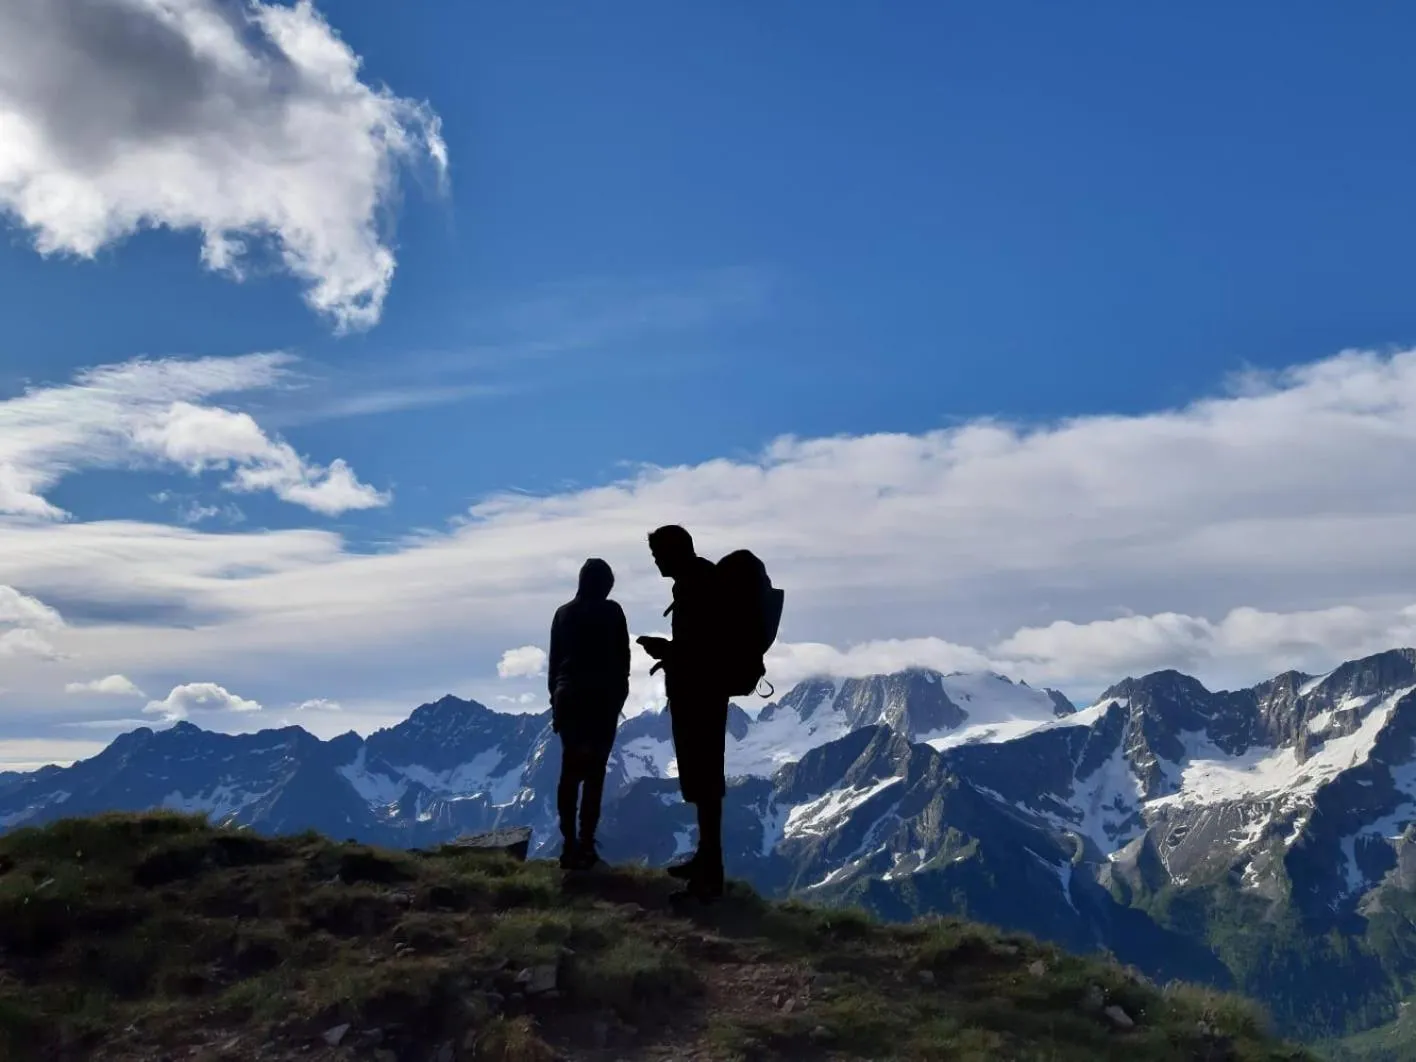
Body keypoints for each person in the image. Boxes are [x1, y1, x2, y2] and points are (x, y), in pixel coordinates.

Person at [636, 524, 729, 901]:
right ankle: (707, 860)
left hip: (700, 694)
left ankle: (709, 875)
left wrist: (666, 651)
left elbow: (700, 649)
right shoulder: (702, 579)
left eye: (659, 554)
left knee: (703, 780)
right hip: (706, 691)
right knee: (704, 780)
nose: (656, 561)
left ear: (676, 552)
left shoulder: (694, 585)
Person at [548, 557, 630, 870]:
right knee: (594, 774)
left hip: (568, 698)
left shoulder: (563, 613)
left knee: (569, 774)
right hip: (602, 700)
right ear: (605, 584)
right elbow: (623, 659)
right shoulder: (612, 611)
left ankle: (568, 845)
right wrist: (618, 700)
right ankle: (586, 844)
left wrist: (555, 702)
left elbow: (554, 663)